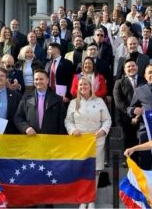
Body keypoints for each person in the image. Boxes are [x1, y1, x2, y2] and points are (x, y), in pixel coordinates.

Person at [65, 77, 112, 209]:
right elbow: (68, 121)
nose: (83, 87)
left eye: (85, 84)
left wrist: (103, 130)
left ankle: (91, 199)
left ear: (91, 86)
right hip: (79, 141)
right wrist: (72, 130)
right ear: (77, 87)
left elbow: (107, 120)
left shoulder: (99, 101)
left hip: (96, 139)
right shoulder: (74, 103)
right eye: (80, 85)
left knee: (95, 170)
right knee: (82, 170)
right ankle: (83, 199)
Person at [113, 59, 146, 164]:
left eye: (133, 66)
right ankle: (130, 160)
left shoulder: (144, 80)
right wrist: (131, 113)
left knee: (142, 139)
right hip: (126, 116)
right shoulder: (119, 82)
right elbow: (118, 101)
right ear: (124, 70)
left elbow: (147, 98)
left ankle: (143, 160)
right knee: (129, 139)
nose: (131, 68)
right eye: (128, 66)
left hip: (142, 115)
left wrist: (139, 114)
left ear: (137, 67)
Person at [14, 69, 66, 134]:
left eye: (41, 79)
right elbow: (18, 117)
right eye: (36, 79)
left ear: (47, 81)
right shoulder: (25, 98)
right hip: (32, 139)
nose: (38, 81)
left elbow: (62, 122)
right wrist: (26, 128)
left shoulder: (58, 99)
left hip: (52, 139)